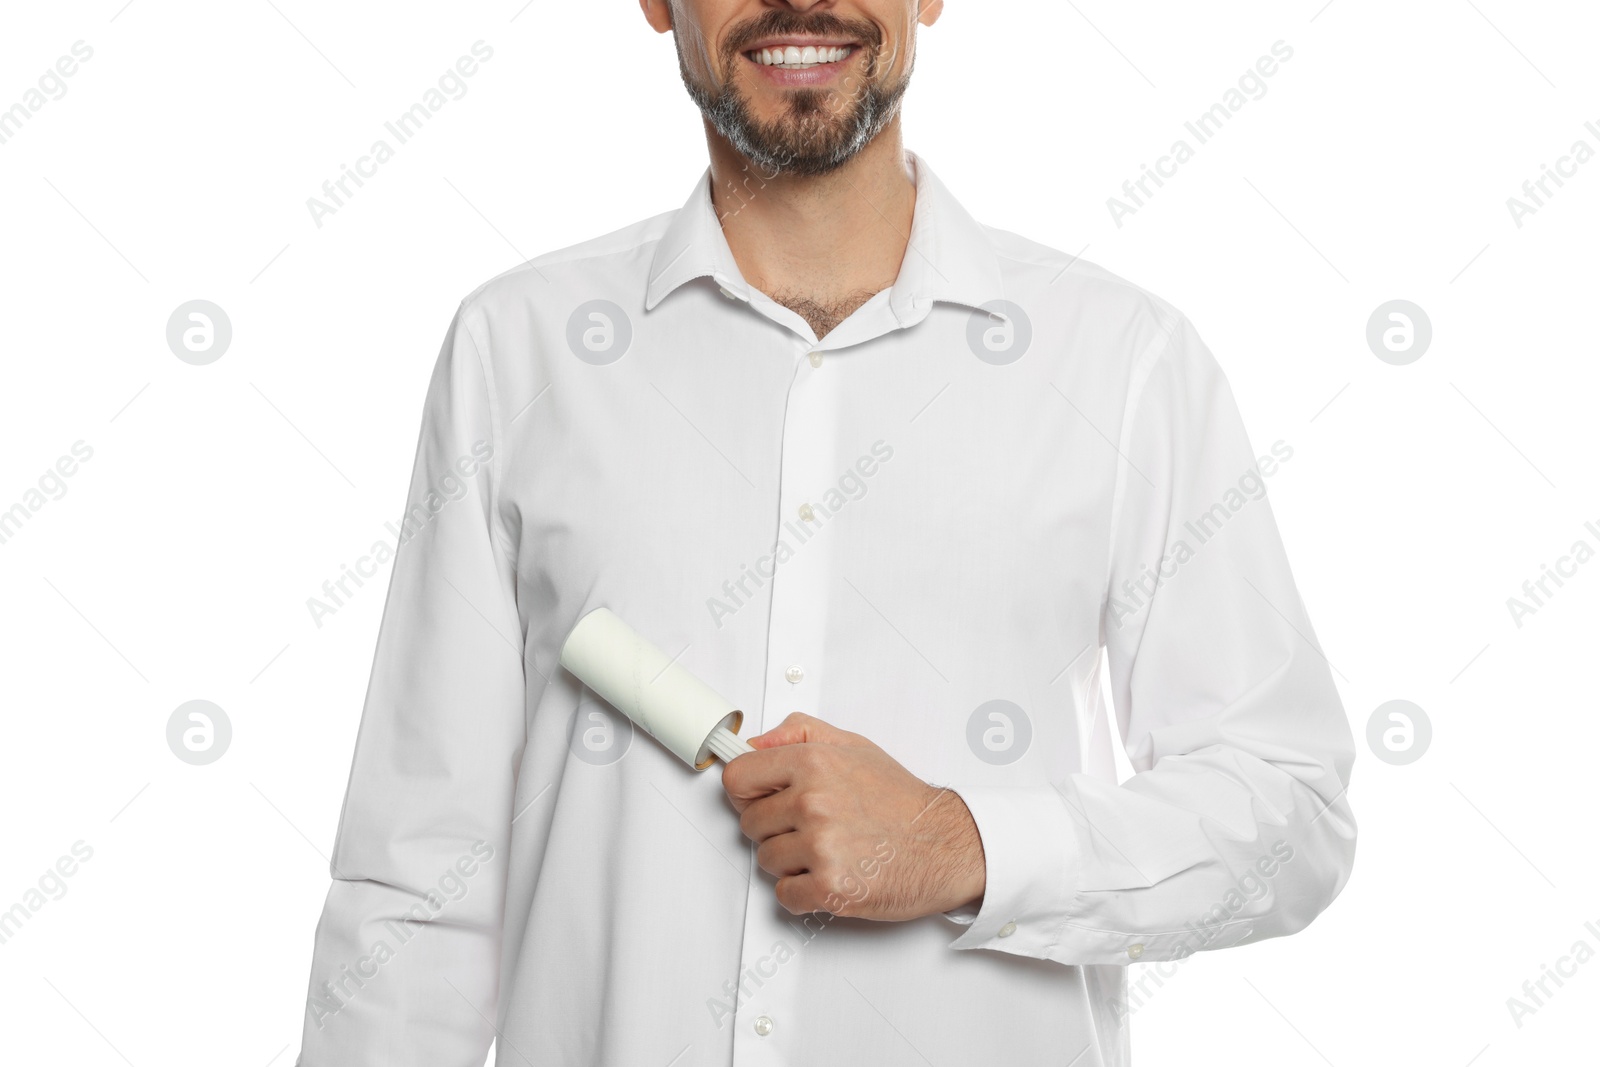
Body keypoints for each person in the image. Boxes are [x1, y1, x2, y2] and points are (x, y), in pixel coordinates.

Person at [295, 2, 1357, 1064]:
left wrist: (964, 845)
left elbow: (1290, 812)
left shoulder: (1122, 364)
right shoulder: (521, 354)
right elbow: (414, 887)